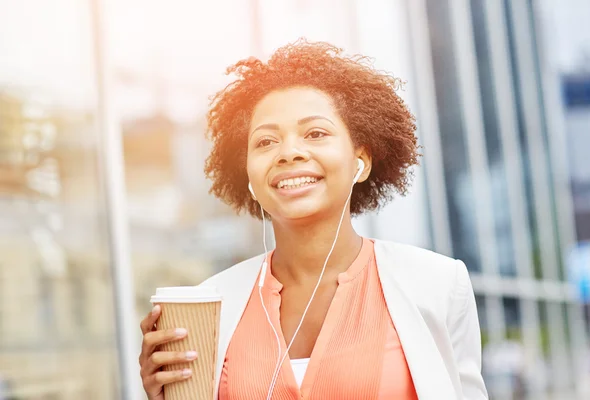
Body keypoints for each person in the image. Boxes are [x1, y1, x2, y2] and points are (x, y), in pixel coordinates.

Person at [139, 39, 489, 400]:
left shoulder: (437, 285)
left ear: (361, 161)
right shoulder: (211, 303)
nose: (289, 152)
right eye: (265, 142)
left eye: (315, 133)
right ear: (248, 176)